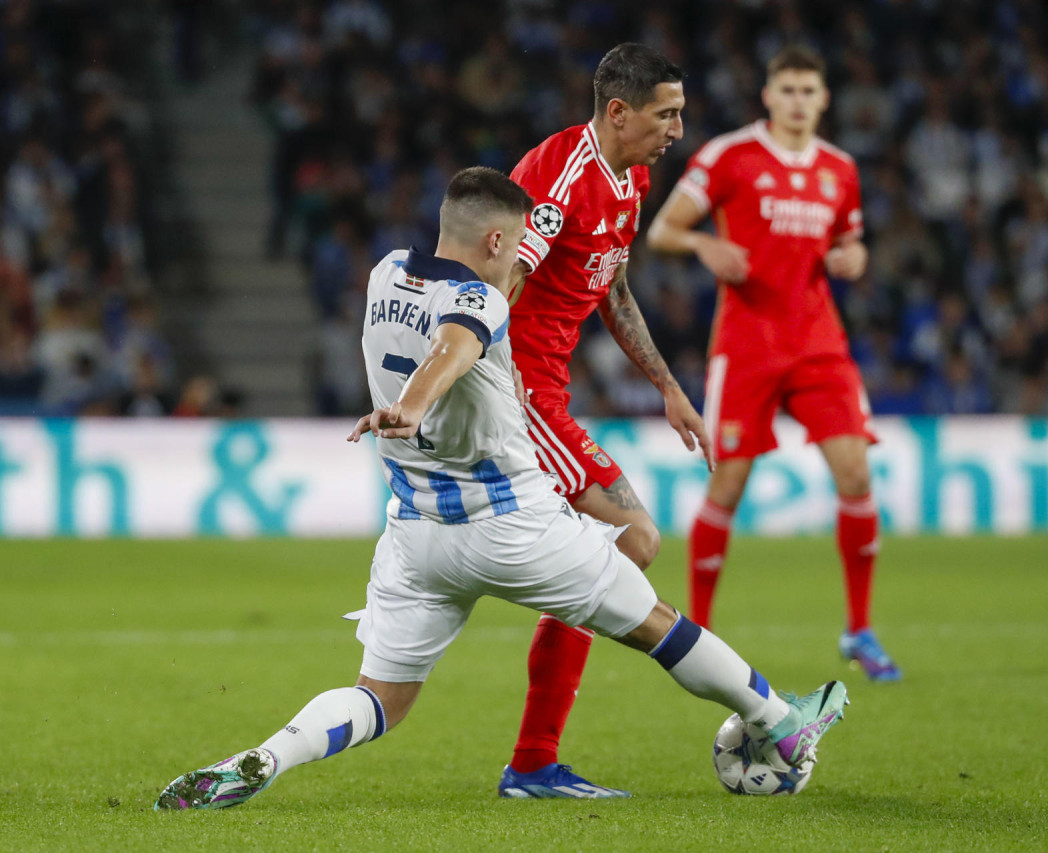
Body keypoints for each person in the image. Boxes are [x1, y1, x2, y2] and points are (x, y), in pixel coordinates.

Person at [153, 167, 847, 810]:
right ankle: (779, 722)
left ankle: (268, 757)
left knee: (379, 700)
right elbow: (455, 344)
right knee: (657, 623)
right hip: (513, 524)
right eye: (516, 245)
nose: (520, 260)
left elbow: (433, 340)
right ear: (494, 238)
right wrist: (418, 402)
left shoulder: (385, 272)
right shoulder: (481, 300)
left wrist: (409, 407)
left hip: (416, 535)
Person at [499, 42, 715, 799]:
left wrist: (669, 388)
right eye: (667, 114)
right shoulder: (560, 180)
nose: (677, 129)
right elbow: (499, 287)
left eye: (681, 113)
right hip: (514, 392)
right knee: (634, 539)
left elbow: (613, 291)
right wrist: (465, 385)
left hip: (547, 393)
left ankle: (533, 761)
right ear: (618, 111)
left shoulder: (632, 177)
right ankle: (532, 760)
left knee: (596, 565)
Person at [646, 45, 901, 682]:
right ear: (768, 95)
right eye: (786, 90)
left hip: (819, 343)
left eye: (807, 91)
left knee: (855, 475)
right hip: (748, 344)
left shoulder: (840, 169)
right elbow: (663, 231)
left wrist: (854, 258)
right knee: (727, 486)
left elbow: (849, 242)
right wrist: (705, 244)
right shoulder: (729, 156)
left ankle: (860, 630)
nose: (796, 101)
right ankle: (699, 633)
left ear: (823, 99)